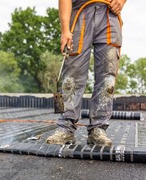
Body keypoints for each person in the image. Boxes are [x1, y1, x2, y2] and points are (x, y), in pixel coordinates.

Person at [46, 0, 127, 146]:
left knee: (107, 77)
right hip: (79, 12)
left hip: (109, 14)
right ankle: (66, 128)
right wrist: (65, 30)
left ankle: (98, 129)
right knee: (72, 74)